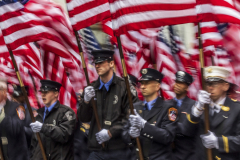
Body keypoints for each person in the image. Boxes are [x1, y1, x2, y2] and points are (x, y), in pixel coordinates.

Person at [79, 49, 138, 160]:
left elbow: (131, 117)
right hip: (97, 150)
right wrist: (86, 101)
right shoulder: (92, 88)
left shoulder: (124, 88)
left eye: (101, 62)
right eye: (96, 63)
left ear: (111, 63)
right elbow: (83, 118)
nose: (97, 66)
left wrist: (111, 132)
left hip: (119, 149)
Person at [183, 66, 240, 160]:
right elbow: (186, 132)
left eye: (215, 83)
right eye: (208, 83)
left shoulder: (237, 108)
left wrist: (218, 142)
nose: (210, 87)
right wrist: (197, 110)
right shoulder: (199, 106)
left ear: (226, 86)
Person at [126, 68, 179, 160]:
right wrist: (130, 134)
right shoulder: (134, 107)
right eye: (142, 83)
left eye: (147, 83)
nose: (142, 86)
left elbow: (168, 136)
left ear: (157, 86)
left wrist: (144, 125)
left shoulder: (169, 108)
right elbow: (124, 133)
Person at [30, 80, 76, 160]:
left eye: (47, 92)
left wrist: (43, 127)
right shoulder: (38, 113)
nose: (43, 95)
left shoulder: (66, 112)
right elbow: (34, 142)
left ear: (56, 93)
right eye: (42, 92)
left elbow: (64, 134)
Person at [170, 71, 196, 160]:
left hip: (187, 154)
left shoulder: (194, 106)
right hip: (169, 154)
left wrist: (169, 125)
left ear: (187, 88)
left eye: (181, 83)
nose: (177, 85)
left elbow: (187, 130)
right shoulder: (166, 104)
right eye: (176, 82)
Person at [0, 79, 29, 160]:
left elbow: (17, 127)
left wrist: (1, 116)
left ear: (4, 91)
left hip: (15, 156)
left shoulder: (18, 108)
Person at [12, 85, 35, 154]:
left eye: (18, 96)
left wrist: (21, 129)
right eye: (14, 96)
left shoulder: (33, 112)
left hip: (27, 151)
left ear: (24, 96)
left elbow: (36, 133)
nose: (15, 99)